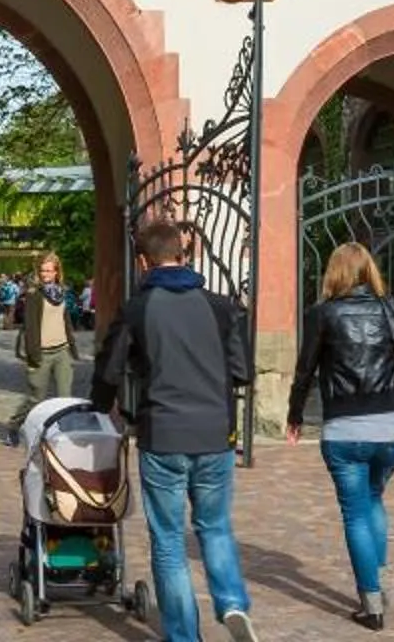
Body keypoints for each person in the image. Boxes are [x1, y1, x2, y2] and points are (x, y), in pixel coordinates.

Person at [91, 218, 256, 642]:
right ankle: (233, 603)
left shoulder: (138, 309)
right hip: (214, 435)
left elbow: (109, 369)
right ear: (182, 254)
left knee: (168, 540)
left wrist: (98, 406)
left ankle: (184, 635)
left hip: (162, 433)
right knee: (215, 526)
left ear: (144, 262)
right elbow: (242, 372)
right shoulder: (221, 307)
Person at [286, 244, 394, 631]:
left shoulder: (322, 314)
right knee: (373, 499)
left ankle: (371, 604)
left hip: (346, 430)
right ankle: (377, 580)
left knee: (355, 511)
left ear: (333, 272)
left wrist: (295, 415)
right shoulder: (389, 308)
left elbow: (305, 369)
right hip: (393, 429)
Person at [6, 251, 81, 446]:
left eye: (49, 271)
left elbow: (65, 320)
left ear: (57, 272)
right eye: (43, 270)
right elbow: (30, 327)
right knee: (36, 398)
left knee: (65, 396)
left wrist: (73, 347)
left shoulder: (62, 292)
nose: (46, 274)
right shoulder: (33, 295)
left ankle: (61, 435)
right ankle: (14, 425)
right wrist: (32, 357)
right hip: (42, 352)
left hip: (62, 350)